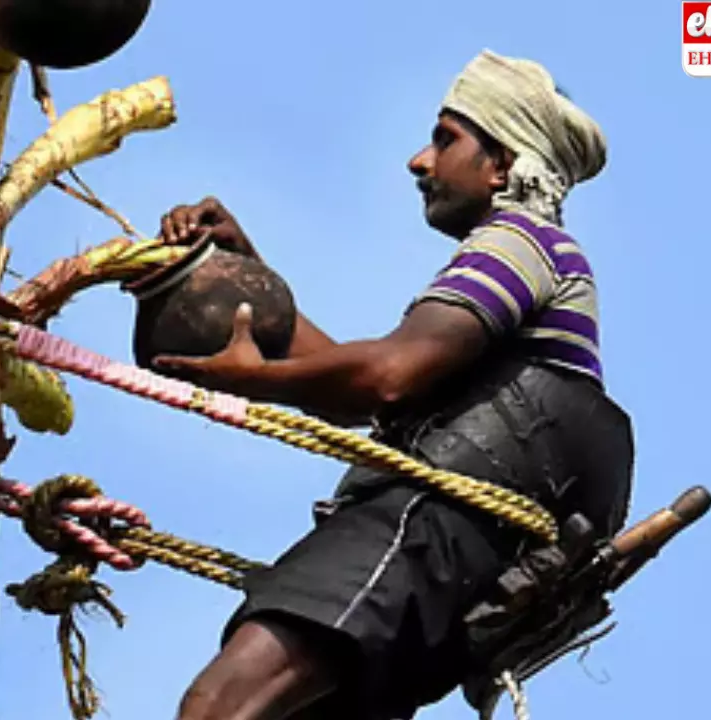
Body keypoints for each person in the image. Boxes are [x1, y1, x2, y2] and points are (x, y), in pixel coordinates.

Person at [152, 49, 636, 720]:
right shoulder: (531, 270)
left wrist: (255, 381)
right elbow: (363, 384)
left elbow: (384, 378)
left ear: (502, 166)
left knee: (217, 707)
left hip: (427, 528)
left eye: (446, 139)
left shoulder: (518, 242)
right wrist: (247, 278)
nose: (420, 161)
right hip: (455, 559)